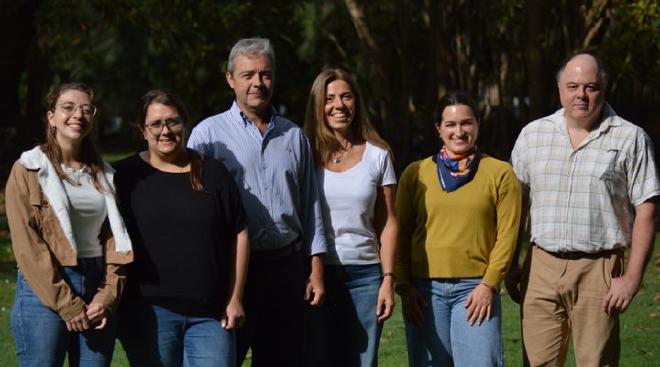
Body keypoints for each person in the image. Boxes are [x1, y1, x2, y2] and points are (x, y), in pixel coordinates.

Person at [507, 52, 659, 366]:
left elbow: (647, 210)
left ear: (603, 88)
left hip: (599, 270)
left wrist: (631, 279)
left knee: (596, 362)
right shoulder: (532, 135)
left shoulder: (631, 138)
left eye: (590, 87)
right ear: (560, 88)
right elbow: (515, 206)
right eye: (573, 86)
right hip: (541, 267)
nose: (581, 94)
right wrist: (511, 263)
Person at [187, 38, 326, 366]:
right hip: (232, 272)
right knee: (225, 357)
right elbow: (193, 207)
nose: (257, 83)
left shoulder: (293, 136)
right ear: (230, 79)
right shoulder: (207, 136)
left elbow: (311, 206)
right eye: (248, 75)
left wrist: (316, 268)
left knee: (283, 358)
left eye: (265, 75)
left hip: (287, 269)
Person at [113, 89, 249, 366]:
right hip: (148, 313)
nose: (166, 131)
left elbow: (240, 232)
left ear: (185, 124)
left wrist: (235, 297)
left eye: (173, 122)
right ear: (143, 129)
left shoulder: (212, 173)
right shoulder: (124, 176)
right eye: (156, 124)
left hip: (210, 314)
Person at [5, 82, 134, 366]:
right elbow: (28, 245)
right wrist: (66, 303)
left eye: (87, 109)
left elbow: (115, 239)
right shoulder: (28, 168)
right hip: (46, 289)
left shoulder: (104, 173)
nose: (78, 114)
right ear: (51, 117)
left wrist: (107, 295)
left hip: (96, 286)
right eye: (68, 107)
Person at [395, 91, 521, 366]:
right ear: (438, 129)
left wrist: (490, 284)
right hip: (424, 293)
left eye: (466, 123)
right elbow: (400, 232)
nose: (459, 131)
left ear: (477, 124)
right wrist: (403, 286)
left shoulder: (500, 173)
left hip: (475, 290)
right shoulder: (415, 174)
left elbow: (508, 236)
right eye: (450, 124)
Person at [303, 68, 399, 366]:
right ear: (318, 105)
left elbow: (388, 222)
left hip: (365, 276)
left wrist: (388, 280)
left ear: (356, 102)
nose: (338, 105)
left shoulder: (378, 155)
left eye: (346, 96)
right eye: (329, 99)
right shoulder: (304, 152)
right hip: (315, 274)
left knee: (361, 362)